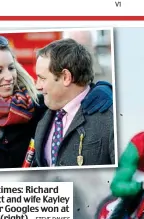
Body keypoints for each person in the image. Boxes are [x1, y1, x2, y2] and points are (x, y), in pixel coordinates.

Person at [0, 35, 112, 170]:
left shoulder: (36, 105)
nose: (9, 76)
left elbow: (74, 93)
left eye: (11, 68)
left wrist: (102, 90)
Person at [33, 38, 114, 167]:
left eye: (42, 79)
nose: (37, 86)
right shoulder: (42, 114)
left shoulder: (110, 117)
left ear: (66, 77)